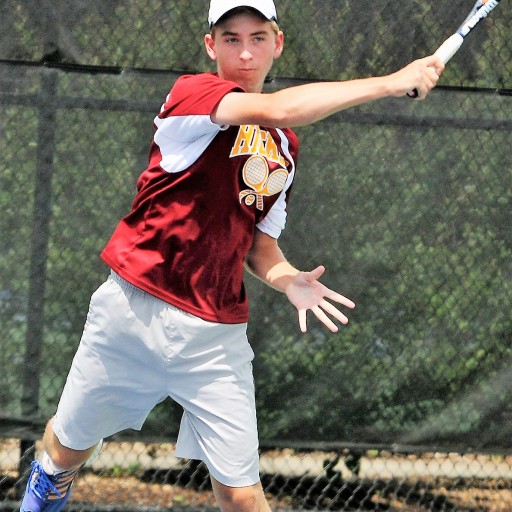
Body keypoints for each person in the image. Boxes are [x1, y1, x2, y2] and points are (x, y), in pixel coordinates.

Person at [20, 1, 444, 511]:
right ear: (211, 46)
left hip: (214, 337)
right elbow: (280, 106)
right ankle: (50, 478)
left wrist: (288, 279)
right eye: (231, 39)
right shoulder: (192, 94)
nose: (245, 53)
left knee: (242, 496)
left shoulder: (282, 147)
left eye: (258, 38)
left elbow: (259, 245)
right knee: (66, 450)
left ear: (277, 43)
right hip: (132, 313)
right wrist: (392, 81)